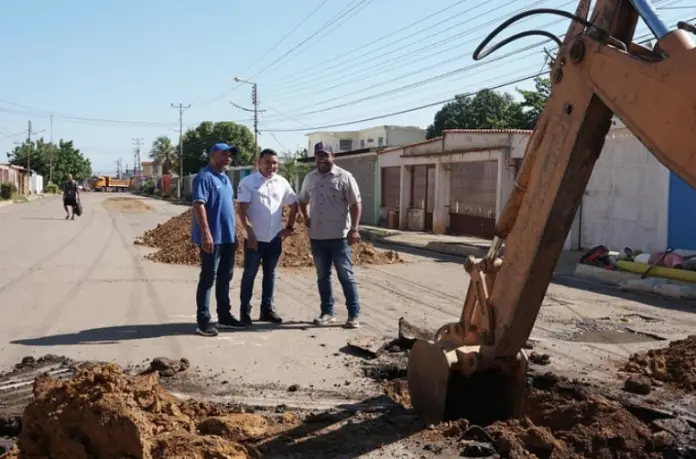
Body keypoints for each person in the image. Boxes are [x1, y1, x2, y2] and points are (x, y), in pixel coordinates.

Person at [297, 141, 362, 329]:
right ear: (315, 157)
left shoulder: (345, 177)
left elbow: (356, 204)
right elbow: (302, 199)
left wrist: (355, 229)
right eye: (319, 155)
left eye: (326, 155)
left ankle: (353, 314)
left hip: (339, 238)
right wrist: (306, 216)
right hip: (317, 237)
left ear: (333, 156)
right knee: (322, 277)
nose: (322, 159)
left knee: (346, 276)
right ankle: (327, 312)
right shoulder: (310, 178)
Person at [236, 148, 299, 326]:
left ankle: (267, 310)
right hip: (254, 239)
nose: (271, 166)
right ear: (259, 163)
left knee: (270, 275)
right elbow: (241, 209)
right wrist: (249, 232)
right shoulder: (248, 182)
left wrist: (289, 228)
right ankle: (244, 311)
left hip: (274, 239)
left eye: (275, 163)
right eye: (268, 162)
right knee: (249, 274)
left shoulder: (282, 182)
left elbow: (294, 206)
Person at [191, 142, 246, 337]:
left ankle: (224, 316)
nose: (228, 158)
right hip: (212, 239)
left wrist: (235, 234)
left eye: (230, 155)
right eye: (223, 154)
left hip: (227, 238)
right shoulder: (204, 177)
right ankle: (203, 320)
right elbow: (199, 205)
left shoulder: (225, 178)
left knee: (225, 278)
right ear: (212, 155)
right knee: (208, 278)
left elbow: (228, 208)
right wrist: (206, 233)